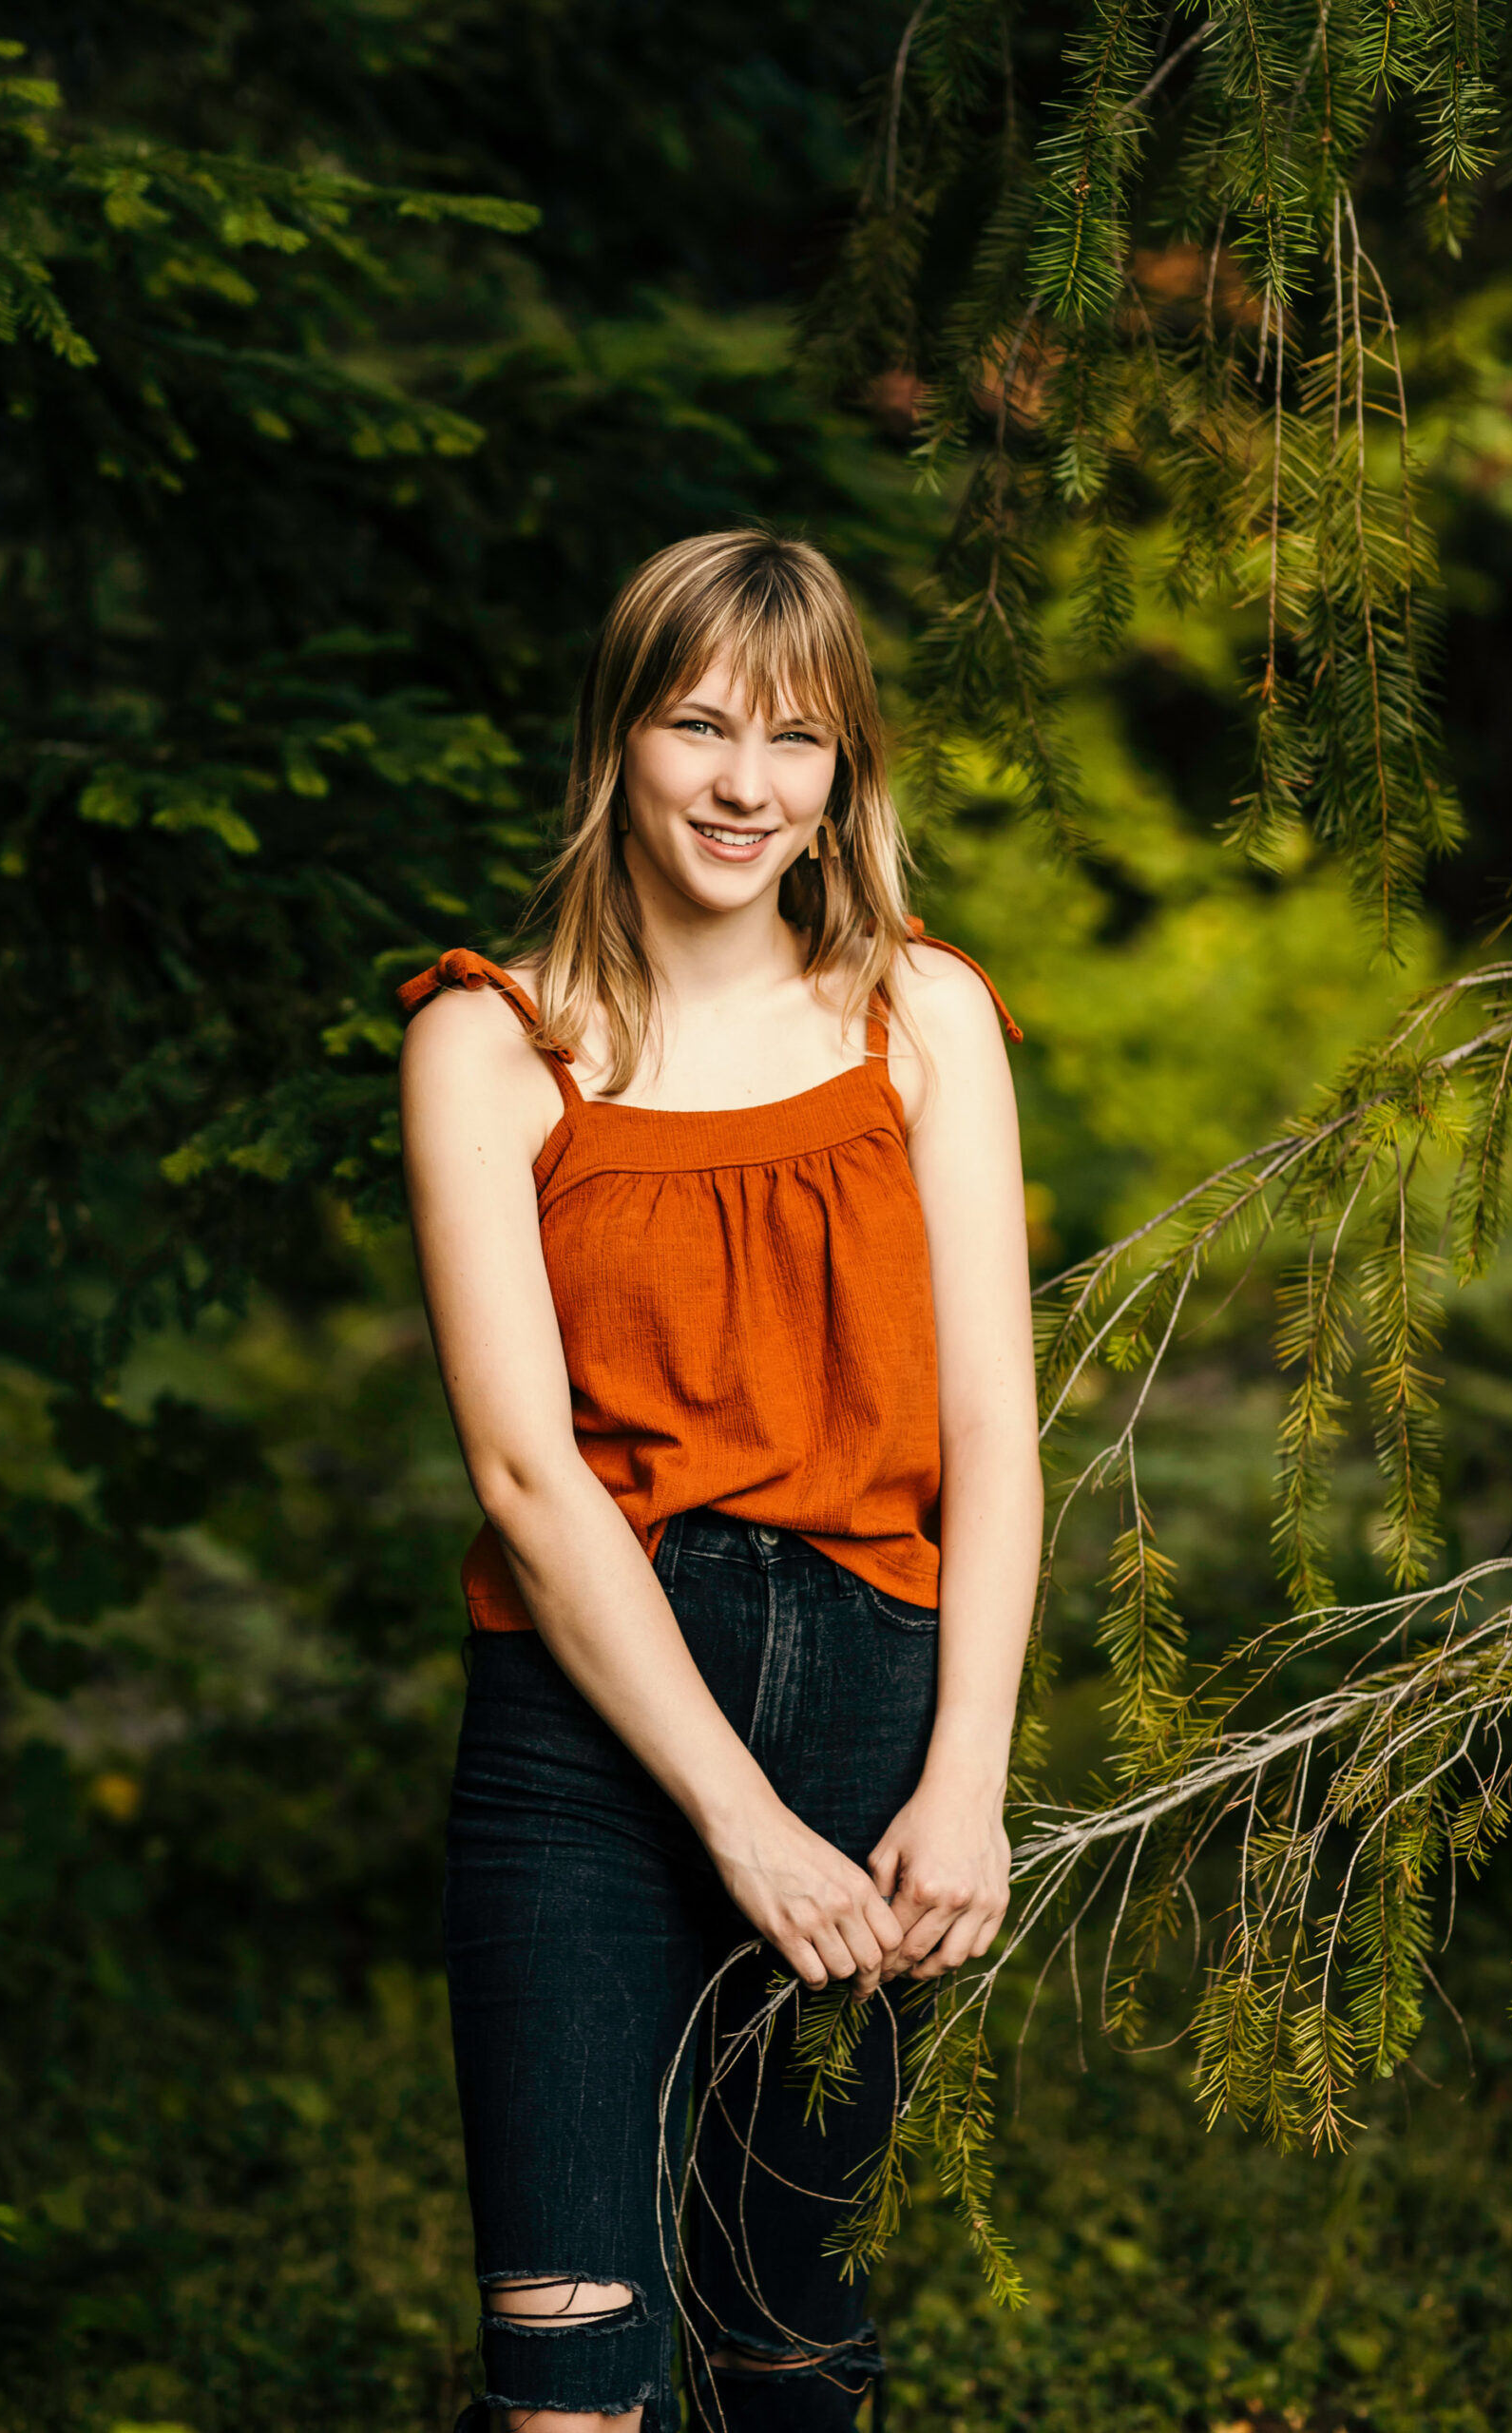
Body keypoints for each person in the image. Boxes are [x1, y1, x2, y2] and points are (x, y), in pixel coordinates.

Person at [398, 529, 1042, 2433]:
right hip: (586, 1732)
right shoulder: (487, 1042)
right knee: (570, 2374)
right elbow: (527, 1476)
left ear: (847, 770)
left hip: (873, 1703)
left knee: (789, 2345)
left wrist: (965, 1781)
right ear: (620, 735)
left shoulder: (917, 1016)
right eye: (696, 725)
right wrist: (738, 1817)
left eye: (794, 739)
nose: (743, 785)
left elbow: (994, 1436)